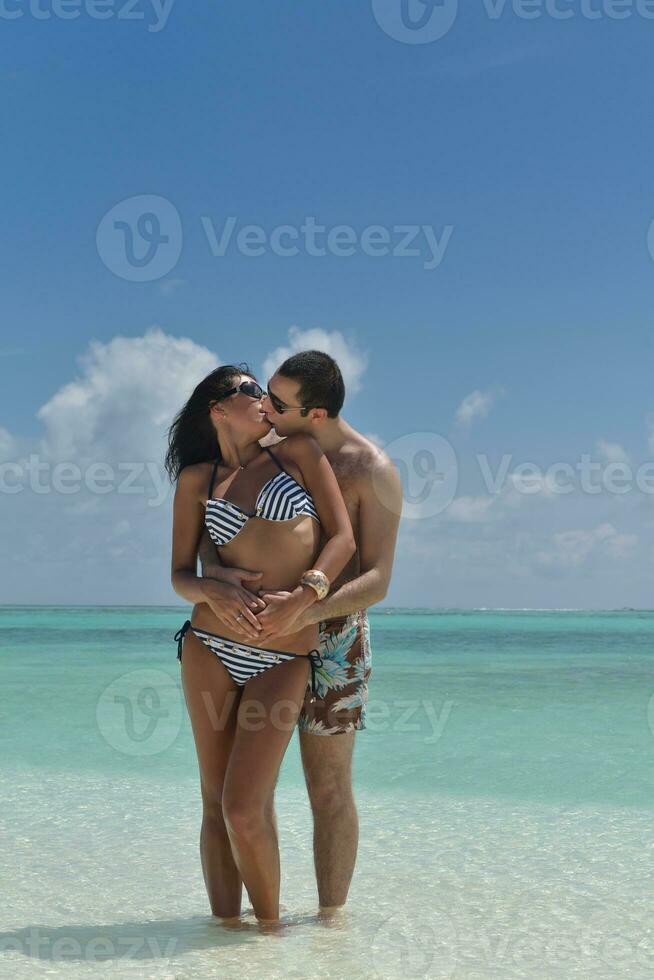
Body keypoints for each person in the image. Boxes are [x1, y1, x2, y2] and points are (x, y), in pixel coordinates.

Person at [199, 350, 402, 913]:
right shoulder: (268, 448)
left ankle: (331, 930)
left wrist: (306, 608)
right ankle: (248, 933)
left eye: (279, 402)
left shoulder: (370, 469)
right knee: (240, 797)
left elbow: (379, 579)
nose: (265, 406)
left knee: (328, 789)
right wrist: (213, 577)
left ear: (315, 414)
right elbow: (213, 526)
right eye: (264, 392)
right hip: (257, 636)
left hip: (334, 643)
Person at [166, 363, 356, 927]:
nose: (262, 397)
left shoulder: (295, 454)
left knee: (243, 808)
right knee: (212, 803)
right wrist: (210, 587)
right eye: (250, 390)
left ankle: (268, 936)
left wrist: (306, 595)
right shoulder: (198, 479)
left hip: (284, 652)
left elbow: (342, 538)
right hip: (209, 645)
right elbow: (179, 575)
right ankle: (224, 940)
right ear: (218, 410)